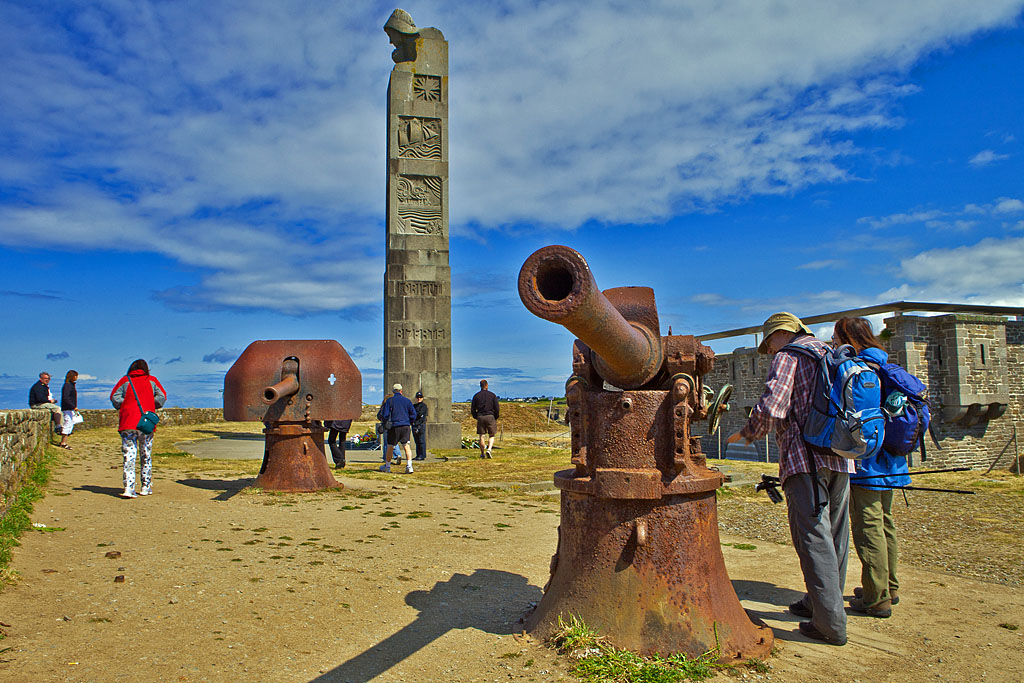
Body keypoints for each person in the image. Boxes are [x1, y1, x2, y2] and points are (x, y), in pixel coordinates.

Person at [726, 312, 855, 646]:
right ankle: (821, 603)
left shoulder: (789, 355)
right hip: (841, 456)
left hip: (805, 459)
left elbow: (774, 407)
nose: (768, 351)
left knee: (812, 536)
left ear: (781, 334)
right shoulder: (829, 352)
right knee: (836, 537)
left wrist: (747, 434)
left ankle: (830, 624)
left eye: (768, 343)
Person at [833, 316, 911, 619]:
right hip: (893, 460)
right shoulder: (888, 366)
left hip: (868, 461)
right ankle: (887, 586)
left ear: (847, 338)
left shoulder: (859, 369)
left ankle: (876, 598)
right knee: (885, 523)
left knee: (868, 528)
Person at [110, 359, 166, 499]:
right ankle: (145, 486)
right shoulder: (151, 380)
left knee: (129, 455)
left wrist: (127, 403)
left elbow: (114, 397)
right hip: (145, 422)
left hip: (128, 422)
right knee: (146, 454)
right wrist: (148, 403)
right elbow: (162, 397)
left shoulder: (125, 380)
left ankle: (129, 488)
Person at [379, 384, 417, 474]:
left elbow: (385, 414)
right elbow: (413, 414)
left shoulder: (390, 401)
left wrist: (385, 422)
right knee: (406, 446)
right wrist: (410, 422)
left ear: (393, 391)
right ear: (401, 391)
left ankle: (387, 466)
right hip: (405, 426)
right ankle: (409, 466)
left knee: (390, 446)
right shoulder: (407, 401)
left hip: (394, 426)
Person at [471, 379, 500, 459]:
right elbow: (497, 408)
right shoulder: (492, 395)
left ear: (480, 386)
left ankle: (482, 453)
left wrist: (476, 416)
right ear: (487, 385)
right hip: (490, 416)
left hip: (480, 416)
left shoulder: (476, 396)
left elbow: (473, 408)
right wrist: (496, 416)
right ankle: (489, 449)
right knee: (492, 435)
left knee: (481, 436)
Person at [58, 370, 79, 450]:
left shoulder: (70, 385)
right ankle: (63, 442)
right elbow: (66, 398)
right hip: (67, 408)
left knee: (70, 423)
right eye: (76, 376)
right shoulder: (67, 385)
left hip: (69, 408)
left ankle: (64, 441)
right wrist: (73, 406)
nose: (77, 378)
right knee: (68, 423)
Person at [412, 391, 429, 460]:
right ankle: (418, 454)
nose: (419, 398)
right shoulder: (414, 406)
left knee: (421, 440)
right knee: (416, 441)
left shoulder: (424, 406)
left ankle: (422, 455)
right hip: (414, 425)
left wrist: (415, 415)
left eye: (420, 397)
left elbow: (420, 414)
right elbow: (411, 413)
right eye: (418, 397)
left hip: (421, 425)